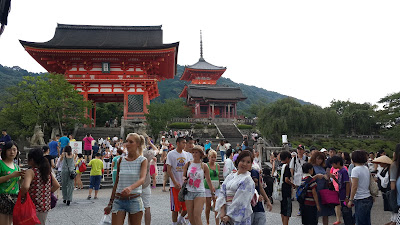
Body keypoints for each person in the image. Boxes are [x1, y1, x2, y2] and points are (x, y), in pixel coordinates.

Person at [104, 133, 148, 225]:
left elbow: (142, 179)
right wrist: (110, 203)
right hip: (118, 200)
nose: (127, 144)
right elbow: (116, 182)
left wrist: (130, 188)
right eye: (127, 141)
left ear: (138, 144)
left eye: (131, 142)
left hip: (134, 199)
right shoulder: (120, 160)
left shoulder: (142, 160)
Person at [20, 148, 60, 225]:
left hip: (31, 205)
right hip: (44, 206)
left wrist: (21, 195)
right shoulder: (47, 171)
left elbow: (25, 187)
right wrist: (45, 193)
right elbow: (56, 185)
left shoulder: (31, 171)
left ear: (31, 160)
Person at [215, 150, 255, 224]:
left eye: (248, 162)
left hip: (239, 215)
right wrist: (223, 210)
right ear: (238, 161)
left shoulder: (248, 180)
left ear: (250, 165)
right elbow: (222, 191)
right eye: (242, 161)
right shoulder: (230, 176)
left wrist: (229, 216)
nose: (245, 164)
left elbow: (242, 200)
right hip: (226, 210)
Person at [183, 145, 214, 225]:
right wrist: (184, 178)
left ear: (200, 154)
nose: (194, 154)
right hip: (189, 191)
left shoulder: (204, 166)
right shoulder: (188, 164)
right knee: (190, 216)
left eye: (196, 152)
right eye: (193, 152)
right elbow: (183, 175)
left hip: (200, 192)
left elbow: (208, 179)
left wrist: (212, 192)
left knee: (197, 215)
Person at [166, 137, 189, 225]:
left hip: (185, 185)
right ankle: (174, 223)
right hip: (174, 185)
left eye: (185, 143)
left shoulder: (186, 154)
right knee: (175, 207)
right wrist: (175, 182)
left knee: (186, 206)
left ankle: (180, 218)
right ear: (178, 143)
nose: (185, 144)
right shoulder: (171, 154)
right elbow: (169, 169)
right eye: (183, 143)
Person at [347, 150, 373, 225]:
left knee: (360, 222)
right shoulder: (366, 168)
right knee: (367, 221)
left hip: (360, 198)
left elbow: (354, 186)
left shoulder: (355, 170)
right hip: (368, 197)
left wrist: (351, 199)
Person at [0, 141, 22, 225]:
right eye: (9, 149)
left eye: (14, 150)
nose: (12, 152)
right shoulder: (1, 164)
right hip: (2, 198)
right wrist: (11, 176)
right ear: (5, 151)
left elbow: (19, 183)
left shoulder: (16, 166)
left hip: (14, 199)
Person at [309, 152, 334, 225]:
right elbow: (307, 180)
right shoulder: (311, 167)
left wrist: (328, 178)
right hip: (315, 192)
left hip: (324, 192)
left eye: (321, 159)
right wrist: (317, 176)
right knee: (315, 213)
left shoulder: (323, 167)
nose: (319, 161)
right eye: (318, 159)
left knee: (325, 214)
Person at [330, 155, 353, 225]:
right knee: (344, 212)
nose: (332, 166)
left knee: (347, 213)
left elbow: (347, 184)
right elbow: (340, 183)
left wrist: (347, 196)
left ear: (338, 163)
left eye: (333, 164)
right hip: (341, 194)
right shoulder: (340, 171)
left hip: (345, 196)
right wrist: (334, 178)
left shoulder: (344, 171)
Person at [141, 135, 159, 225]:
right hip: (145, 182)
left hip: (133, 184)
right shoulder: (147, 153)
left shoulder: (131, 153)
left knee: (133, 208)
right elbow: (157, 150)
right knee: (147, 206)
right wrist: (150, 143)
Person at [204, 149, 220, 225]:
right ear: (209, 157)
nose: (213, 159)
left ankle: (217, 222)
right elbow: (205, 177)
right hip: (207, 186)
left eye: (215, 157)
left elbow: (218, 176)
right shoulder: (206, 165)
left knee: (216, 205)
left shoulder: (218, 165)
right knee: (208, 205)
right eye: (212, 157)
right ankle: (207, 221)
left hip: (216, 186)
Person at [279, 151, 295, 225]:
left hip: (280, 190)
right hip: (286, 190)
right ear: (287, 158)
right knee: (287, 211)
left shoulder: (279, 166)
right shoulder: (287, 166)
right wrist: (293, 184)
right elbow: (286, 179)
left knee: (282, 209)